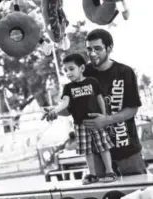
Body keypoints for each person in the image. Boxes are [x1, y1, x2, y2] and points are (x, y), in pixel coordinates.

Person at [44, 28, 147, 177]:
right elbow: (70, 107)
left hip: (127, 151)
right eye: (89, 49)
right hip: (97, 153)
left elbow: (132, 109)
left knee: (137, 192)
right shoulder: (83, 72)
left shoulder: (125, 72)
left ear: (109, 48)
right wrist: (55, 111)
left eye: (97, 49)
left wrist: (107, 120)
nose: (92, 53)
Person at [43, 53, 116, 184]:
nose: (68, 73)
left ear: (81, 68)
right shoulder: (68, 88)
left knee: (103, 147)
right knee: (87, 150)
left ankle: (110, 171)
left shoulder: (92, 82)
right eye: (65, 70)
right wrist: (54, 110)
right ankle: (92, 174)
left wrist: (104, 117)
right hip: (79, 124)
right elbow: (64, 103)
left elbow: (100, 99)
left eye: (71, 69)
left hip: (96, 121)